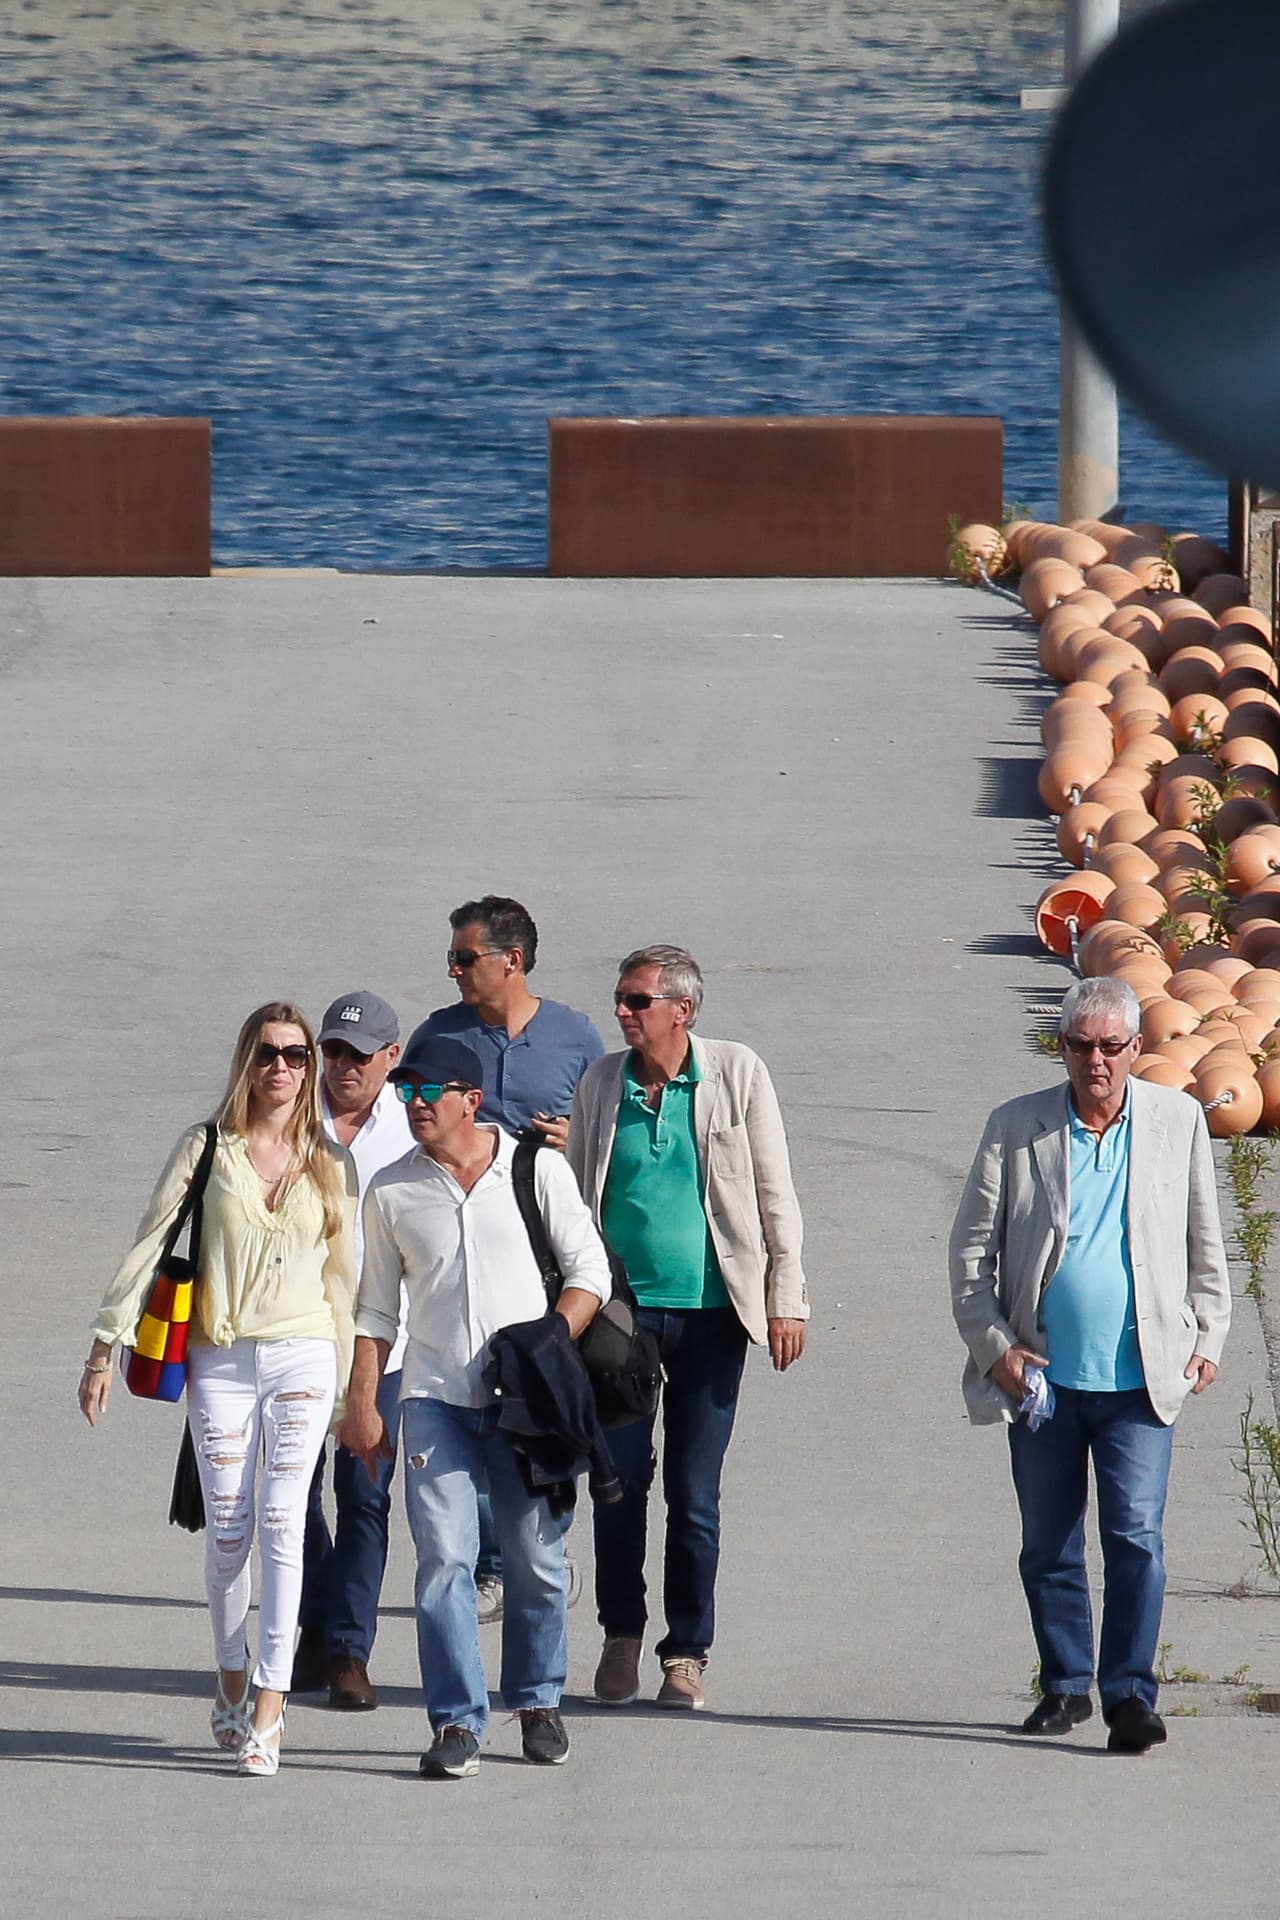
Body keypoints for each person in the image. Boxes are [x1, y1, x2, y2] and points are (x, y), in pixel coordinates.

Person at [948, 975, 1231, 1754]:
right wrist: (997, 1350)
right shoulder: (1017, 1127)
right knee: (1048, 1540)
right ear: (1062, 1048)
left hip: (1140, 1377)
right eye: (1081, 1046)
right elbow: (971, 1254)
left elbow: (1205, 1238)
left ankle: (1131, 1696)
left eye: (1112, 1047)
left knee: (1136, 1535)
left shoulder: (1175, 1120)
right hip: (1043, 1380)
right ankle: (1066, 1684)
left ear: (1138, 1049)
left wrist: (1208, 1336)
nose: (1096, 1062)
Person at [79, 1002, 357, 1777]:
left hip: (303, 1354)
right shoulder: (206, 1147)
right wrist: (104, 1347)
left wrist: (350, 1391)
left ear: (310, 1066)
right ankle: (231, 1671)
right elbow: (150, 1241)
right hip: (222, 1359)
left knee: (282, 1522)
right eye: (268, 1053)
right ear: (247, 1060)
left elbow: (346, 1280)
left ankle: (270, 1708)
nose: (283, 1068)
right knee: (230, 1531)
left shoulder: (331, 1159)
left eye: (297, 1055)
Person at [339, 1035, 612, 1779]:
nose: (417, 1104)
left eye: (432, 1091)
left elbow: (590, 1271)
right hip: (435, 1401)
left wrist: (551, 1341)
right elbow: (375, 1310)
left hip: (527, 1405)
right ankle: (457, 1722)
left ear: (471, 1097)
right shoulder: (393, 1190)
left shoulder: (535, 1168)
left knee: (534, 1561)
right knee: (443, 1565)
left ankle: (536, 1701)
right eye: (408, 1092)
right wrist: (362, 1403)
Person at [568, 943, 809, 1712]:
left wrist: (786, 1296)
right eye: (620, 999)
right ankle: (621, 1635)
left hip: (712, 1313)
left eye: (638, 1001)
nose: (623, 1012)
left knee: (693, 1492)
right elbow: (574, 1198)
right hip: (619, 1318)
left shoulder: (736, 1073)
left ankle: (686, 1652)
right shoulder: (602, 1083)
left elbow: (775, 1189)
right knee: (618, 1483)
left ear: (683, 1009)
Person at [408, 893, 604, 1622]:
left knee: (545, 1402)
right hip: (462, 1251)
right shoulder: (442, 1034)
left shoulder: (573, 1036)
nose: (453, 970)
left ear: (511, 962)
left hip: (548, 1251)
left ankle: (548, 1536)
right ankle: (493, 1563)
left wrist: (570, 1144)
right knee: (472, 1399)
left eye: (465, 958)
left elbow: (601, 1130)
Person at [293, 990, 414, 1710]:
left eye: (358, 1056)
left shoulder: (411, 1127)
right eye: (331, 1052)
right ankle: (313, 1622)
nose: (341, 1067)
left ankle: (347, 1652)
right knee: (290, 1497)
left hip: (385, 1347)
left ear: (390, 1060)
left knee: (365, 1497)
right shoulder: (289, 1121)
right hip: (300, 1338)